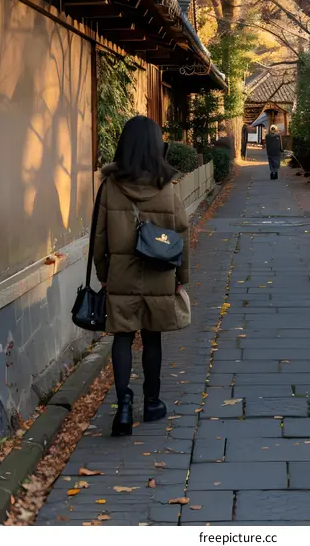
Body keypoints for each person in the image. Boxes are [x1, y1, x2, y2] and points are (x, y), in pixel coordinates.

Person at [92, 115, 190, 437]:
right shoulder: (167, 189)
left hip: (121, 275)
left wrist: (104, 275)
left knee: (121, 336)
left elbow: (99, 238)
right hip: (159, 274)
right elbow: (182, 232)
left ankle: (122, 405)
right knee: (152, 337)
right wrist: (181, 277)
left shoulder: (109, 187)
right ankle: (151, 402)